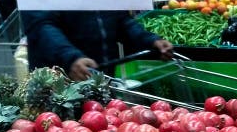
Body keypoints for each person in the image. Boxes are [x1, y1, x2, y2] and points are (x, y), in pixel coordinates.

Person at [20, 11, 174, 81]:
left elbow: (121, 20)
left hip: (101, 78)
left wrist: (150, 41)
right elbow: (41, 26)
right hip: (58, 86)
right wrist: (70, 58)